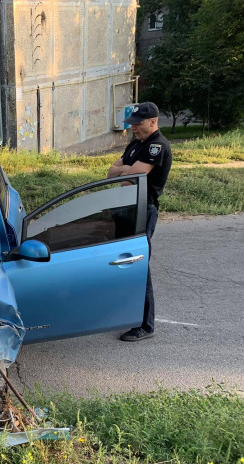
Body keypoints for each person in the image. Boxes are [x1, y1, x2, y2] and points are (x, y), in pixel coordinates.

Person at [108, 101, 172, 341]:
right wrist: (126, 168)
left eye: (137, 123)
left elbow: (135, 174)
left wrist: (126, 169)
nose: (133, 128)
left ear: (152, 121)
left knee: (138, 265)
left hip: (143, 211)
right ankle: (128, 314)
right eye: (132, 124)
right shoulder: (137, 143)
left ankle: (146, 325)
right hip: (127, 208)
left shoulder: (157, 146)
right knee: (123, 263)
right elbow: (111, 172)